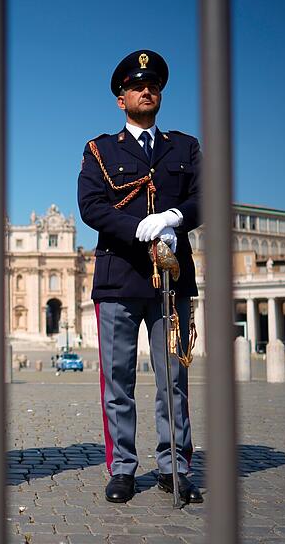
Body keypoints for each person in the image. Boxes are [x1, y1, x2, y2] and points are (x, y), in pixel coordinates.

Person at [77, 49, 203, 505]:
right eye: (136, 86)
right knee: (118, 379)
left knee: (174, 378)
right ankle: (123, 467)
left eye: (153, 85)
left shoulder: (185, 147)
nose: (146, 90)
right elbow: (91, 206)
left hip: (172, 278)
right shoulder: (99, 149)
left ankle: (174, 464)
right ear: (121, 97)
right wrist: (136, 229)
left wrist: (174, 216)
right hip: (119, 276)